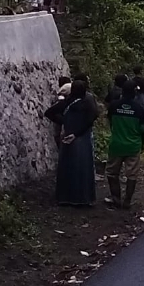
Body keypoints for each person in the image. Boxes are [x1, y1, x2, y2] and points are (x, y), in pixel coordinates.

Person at [44, 77, 99, 206]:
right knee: (83, 168)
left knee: (67, 168)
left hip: (67, 136)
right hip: (82, 138)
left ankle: (65, 197)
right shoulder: (87, 104)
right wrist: (77, 133)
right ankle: (83, 198)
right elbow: (91, 119)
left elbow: (49, 113)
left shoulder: (66, 103)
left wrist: (64, 122)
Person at [105, 81, 144, 210]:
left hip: (116, 144)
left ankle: (116, 199)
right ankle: (127, 201)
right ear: (135, 93)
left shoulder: (113, 106)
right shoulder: (139, 109)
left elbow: (110, 123)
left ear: (122, 91)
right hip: (133, 146)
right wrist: (142, 145)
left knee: (112, 173)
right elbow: (143, 130)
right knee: (132, 175)